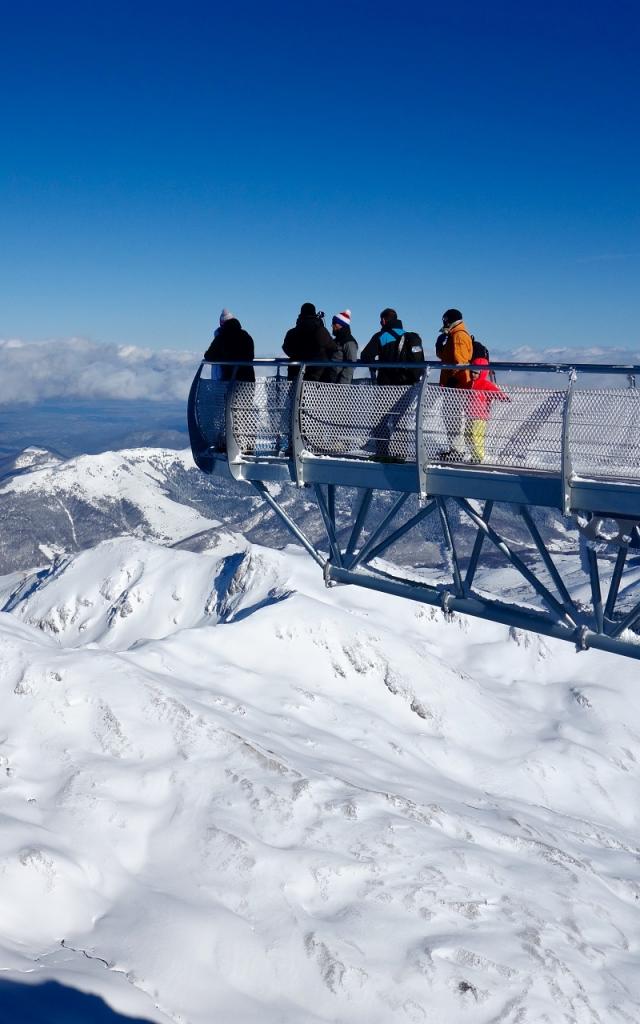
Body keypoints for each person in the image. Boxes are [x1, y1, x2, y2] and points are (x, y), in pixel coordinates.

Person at [437, 308, 473, 461]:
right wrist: (440, 346)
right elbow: (446, 357)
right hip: (457, 384)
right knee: (452, 417)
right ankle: (455, 449)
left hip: (457, 385)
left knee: (454, 418)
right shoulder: (455, 334)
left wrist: (453, 378)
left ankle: (457, 451)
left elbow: (460, 361)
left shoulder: (458, 336)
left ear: (448, 320)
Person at [360, 308, 424, 385]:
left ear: (383, 320)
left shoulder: (381, 336)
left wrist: (374, 366)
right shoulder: (409, 337)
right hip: (408, 384)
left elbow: (365, 356)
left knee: (385, 397)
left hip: (387, 386)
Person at [465, 356, 509, 463]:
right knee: (467, 436)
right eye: (472, 372)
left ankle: (478, 456)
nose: (473, 375)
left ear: (482, 373)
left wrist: (503, 397)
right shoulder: (471, 384)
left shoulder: (485, 384)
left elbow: (495, 391)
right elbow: (462, 389)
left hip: (480, 416)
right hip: (470, 416)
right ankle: (474, 455)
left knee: (476, 436)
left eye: (476, 373)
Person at [282, 302, 338, 382]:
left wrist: (297, 356)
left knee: (297, 394)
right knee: (314, 394)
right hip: (317, 376)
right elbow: (333, 348)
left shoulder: (292, 333)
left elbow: (286, 349)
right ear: (314, 313)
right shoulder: (321, 331)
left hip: (295, 374)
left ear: (301, 314)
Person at [204, 310, 255, 382]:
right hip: (248, 383)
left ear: (221, 324)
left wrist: (220, 357)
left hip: (228, 382)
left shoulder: (222, 337)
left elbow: (209, 356)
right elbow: (250, 356)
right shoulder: (246, 335)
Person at [331, 310, 358, 383]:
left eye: (334, 323)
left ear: (340, 325)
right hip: (331, 381)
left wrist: (342, 386)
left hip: (339, 385)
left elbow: (350, 365)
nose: (332, 326)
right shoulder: (337, 341)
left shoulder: (349, 342)